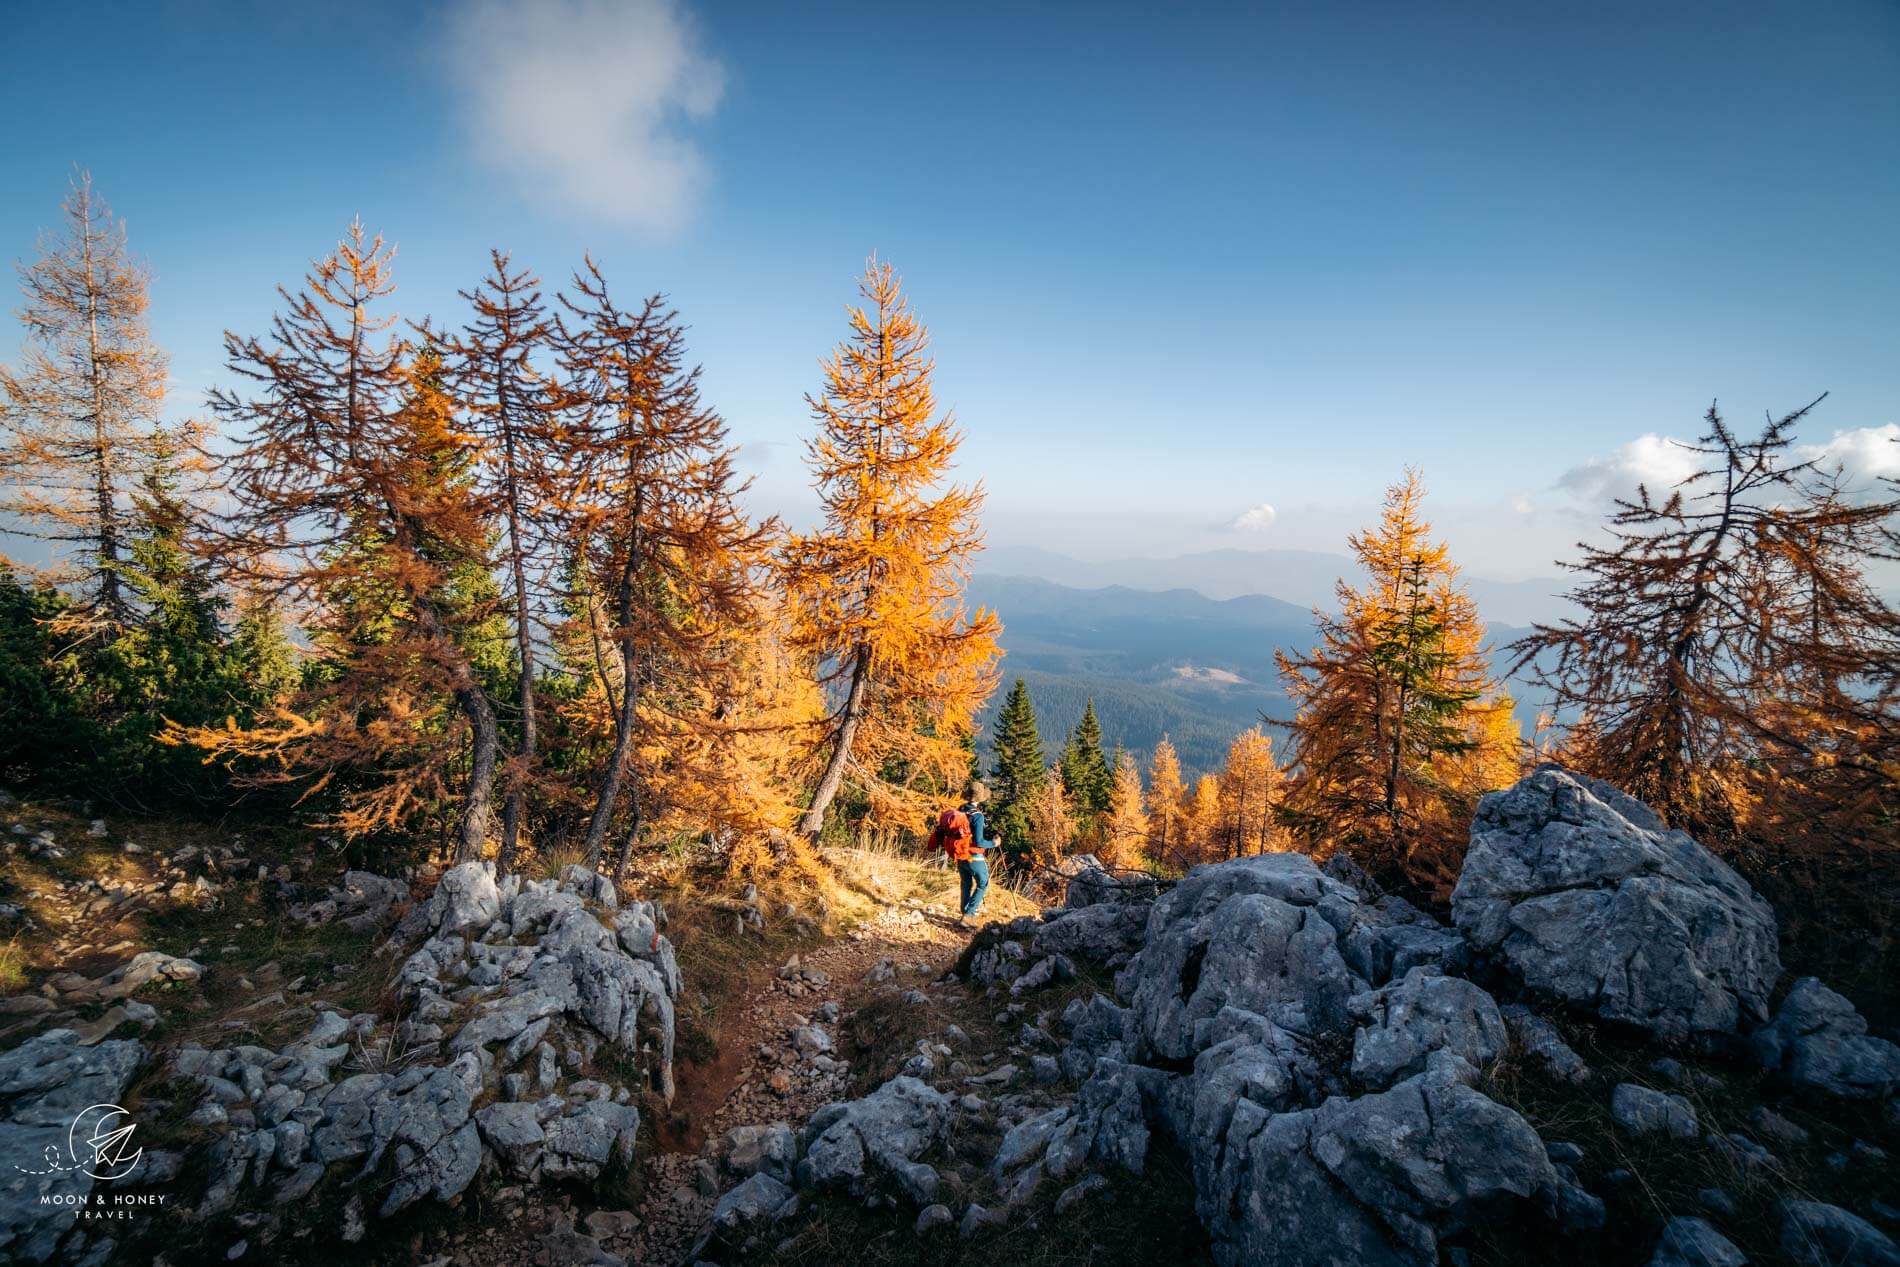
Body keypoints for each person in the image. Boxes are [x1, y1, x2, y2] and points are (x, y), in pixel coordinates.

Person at [928, 781, 998, 927]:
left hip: (959, 854)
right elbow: (979, 841)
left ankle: (964, 912)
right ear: (980, 798)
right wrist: (993, 843)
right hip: (974, 857)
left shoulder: (960, 810)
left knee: (966, 883)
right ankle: (969, 915)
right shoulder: (978, 816)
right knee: (983, 883)